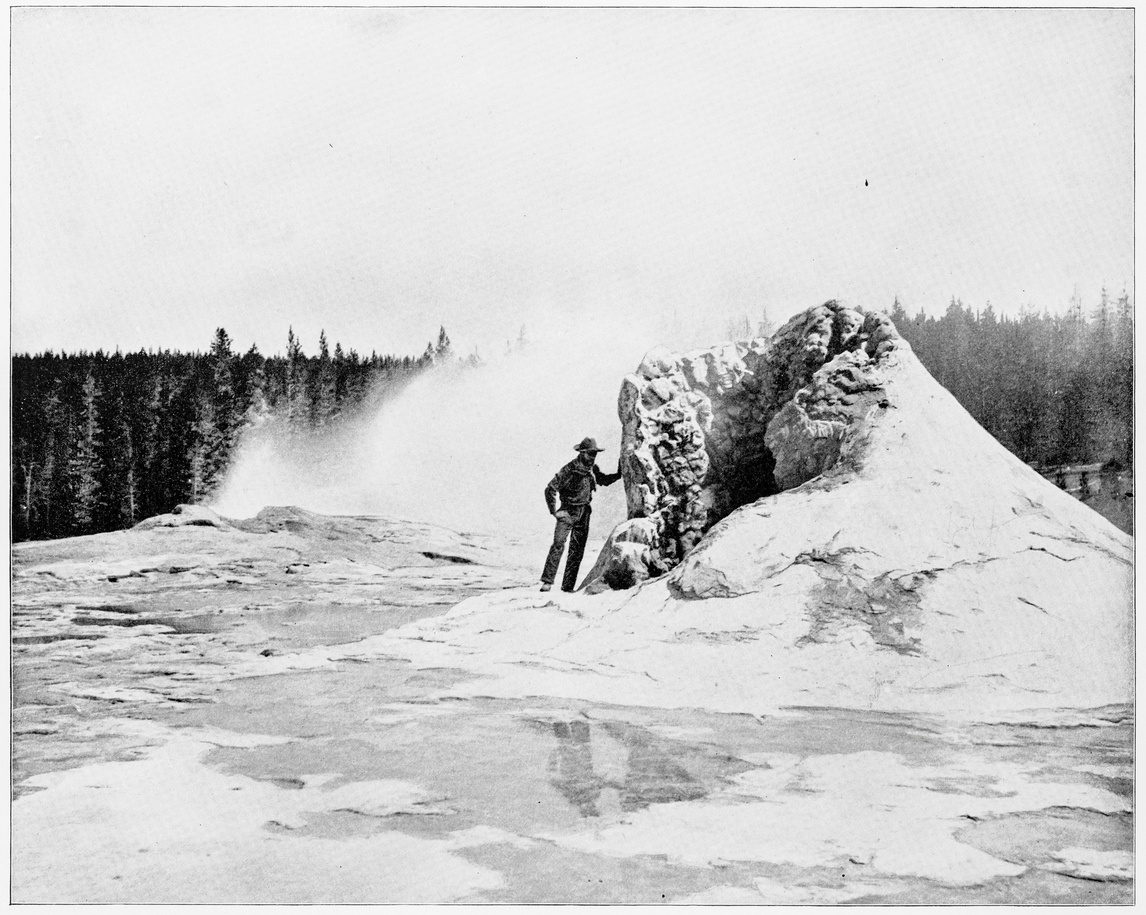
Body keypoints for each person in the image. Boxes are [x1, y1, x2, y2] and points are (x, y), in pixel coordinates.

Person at [541, 437, 621, 592]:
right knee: (558, 545)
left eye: (595, 454)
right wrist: (554, 512)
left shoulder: (592, 469)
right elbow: (550, 489)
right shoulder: (569, 469)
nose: (593, 457)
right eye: (590, 454)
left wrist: (618, 474)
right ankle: (547, 582)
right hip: (568, 512)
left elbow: (603, 480)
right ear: (582, 453)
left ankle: (567, 587)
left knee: (577, 551)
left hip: (584, 513)